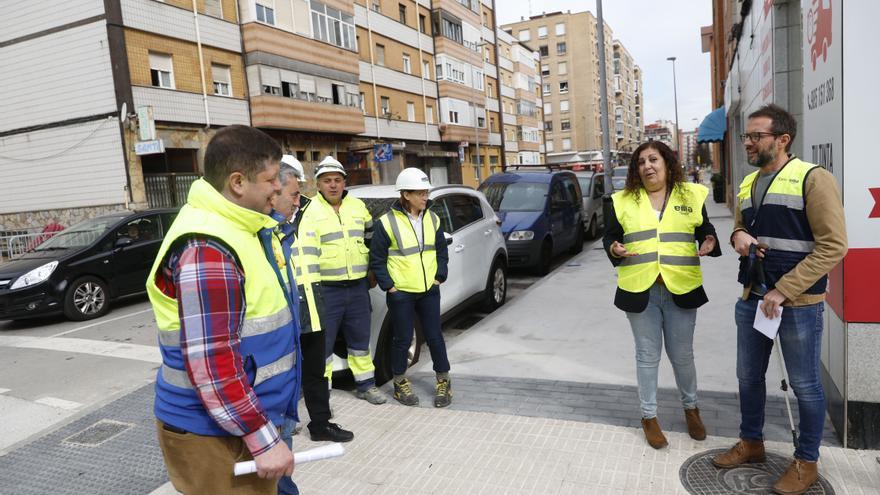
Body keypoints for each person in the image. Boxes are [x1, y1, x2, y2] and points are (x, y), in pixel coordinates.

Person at [146, 125, 300, 494]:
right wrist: (263, 439)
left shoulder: (239, 228)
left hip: (235, 424)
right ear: (237, 182)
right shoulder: (208, 247)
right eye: (270, 179)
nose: (279, 188)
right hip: (215, 434)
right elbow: (213, 364)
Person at [712, 104, 847, 494]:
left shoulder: (813, 179)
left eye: (756, 136)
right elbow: (740, 226)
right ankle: (751, 442)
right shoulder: (749, 182)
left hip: (798, 305)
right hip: (752, 296)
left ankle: (807, 461)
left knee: (805, 385)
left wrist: (784, 289)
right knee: (747, 377)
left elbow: (834, 246)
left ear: (782, 139)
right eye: (746, 137)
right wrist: (737, 236)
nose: (748, 143)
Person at [603, 140, 720, 449]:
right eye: (641, 162)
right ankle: (649, 417)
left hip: (680, 286)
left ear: (667, 163)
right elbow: (611, 237)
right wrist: (614, 248)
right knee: (647, 356)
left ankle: (691, 409)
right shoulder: (621, 200)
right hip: (640, 289)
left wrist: (709, 239)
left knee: (683, 356)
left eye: (653, 159)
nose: (647, 166)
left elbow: (704, 228)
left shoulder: (691, 194)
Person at [271, 157, 355, 442]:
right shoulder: (266, 218)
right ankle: (283, 423)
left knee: (317, 368)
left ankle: (320, 423)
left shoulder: (312, 210)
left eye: (299, 190)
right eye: (294, 192)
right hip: (286, 304)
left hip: (314, 298)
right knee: (285, 370)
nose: (298, 198)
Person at [298, 156, 386, 405]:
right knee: (322, 347)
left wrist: (371, 271)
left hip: (358, 287)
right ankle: (321, 395)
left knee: (360, 340)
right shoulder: (309, 212)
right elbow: (307, 252)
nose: (333, 185)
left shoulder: (358, 206)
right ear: (318, 184)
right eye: (327, 181)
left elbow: (371, 240)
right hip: (326, 290)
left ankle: (366, 385)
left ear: (344, 182)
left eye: (337, 180)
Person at [369, 168, 452, 407]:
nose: (425, 197)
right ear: (406, 194)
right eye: (420, 193)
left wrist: (439, 276)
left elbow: (441, 251)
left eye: (426, 192)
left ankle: (444, 381)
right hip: (401, 292)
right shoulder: (386, 223)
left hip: (429, 289)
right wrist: (390, 287)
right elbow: (377, 259)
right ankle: (399, 384)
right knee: (402, 339)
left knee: (435, 337)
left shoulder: (433, 218)